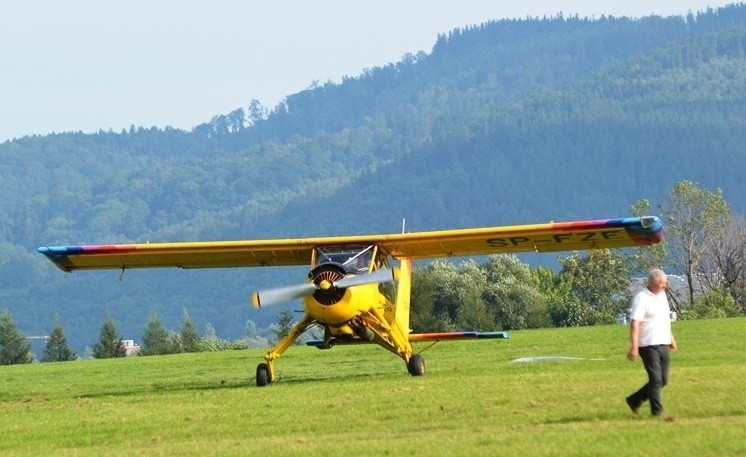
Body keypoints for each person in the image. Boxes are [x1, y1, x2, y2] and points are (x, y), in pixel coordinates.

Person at [626, 268, 677, 416]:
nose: (664, 286)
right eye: (662, 284)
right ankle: (657, 413)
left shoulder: (662, 296)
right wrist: (634, 347)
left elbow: (664, 319)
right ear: (652, 283)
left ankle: (634, 400)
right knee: (655, 380)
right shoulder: (641, 298)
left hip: (663, 342)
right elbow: (635, 323)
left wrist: (671, 338)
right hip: (647, 344)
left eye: (665, 283)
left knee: (663, 380)